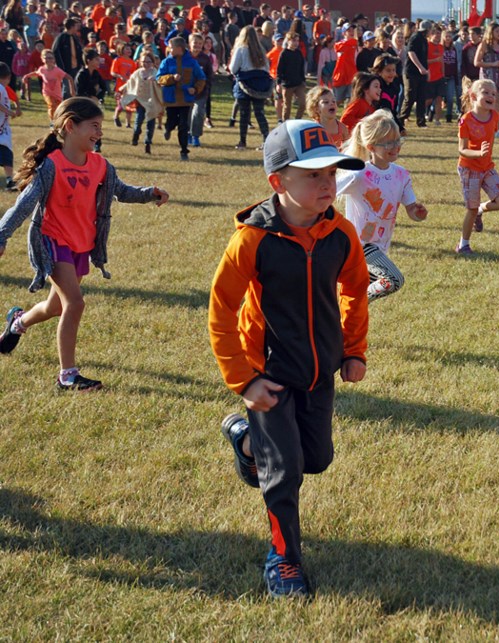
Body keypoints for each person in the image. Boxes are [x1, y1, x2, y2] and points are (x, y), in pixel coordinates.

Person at [208, 119, 368, 598]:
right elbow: (221, 309)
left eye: (333, 173)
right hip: (270, 377)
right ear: (278, 182)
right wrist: (244, 380)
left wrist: (354, 350)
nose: (328, 184)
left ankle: (246, 442)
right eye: (313, 175)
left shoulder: (340, 233)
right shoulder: (252, 240)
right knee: (285, 473)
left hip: (320, 373)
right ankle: (284, 559)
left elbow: (356, 290)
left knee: (316, 459)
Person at [0, 97, 170, 389]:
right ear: (70, 126)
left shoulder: (100, 165)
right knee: (75, 304)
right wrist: (2, 234)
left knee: (55, 307)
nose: (99, 133)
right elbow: (23, 205)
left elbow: (121, 191)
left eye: (100, 127)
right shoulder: (51, 166)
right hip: (53, 241)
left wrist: (148, 193)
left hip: (82, 244)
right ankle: (67, 376)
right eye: (94, 126)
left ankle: (18, 323)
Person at [337, 109, 427, 302]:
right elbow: (327, 192)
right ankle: (356, 303)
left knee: (352, 300)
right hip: (360, 246)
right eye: (388, 143)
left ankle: (342, 321)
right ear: (371, 146)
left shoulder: (401, 174)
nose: (395, 146)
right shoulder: (359, 175)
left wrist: (417, 212)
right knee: (394, 279)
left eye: (397, 140)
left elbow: (411, 208)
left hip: (381, 246)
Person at [455, 78, 499, 255]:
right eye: (486, 92)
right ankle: (463, 245)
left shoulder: (494, 116)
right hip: (469, 169)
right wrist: (478, 153)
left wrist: (484, 156)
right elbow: (462, 150)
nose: (491, 96)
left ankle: (480, 210)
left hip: (487, 167)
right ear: (473, 96)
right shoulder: (466, 120)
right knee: (470, 208)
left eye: (493, 93)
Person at [157, 35, 205, 160]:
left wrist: (195, 88)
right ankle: (168, 128)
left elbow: (201, 78)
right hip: (171, 99)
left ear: (179, 48)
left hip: (186, 100)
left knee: (183, 125)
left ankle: (184, 151)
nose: (169, 49)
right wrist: (171, 78)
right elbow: (159, 78)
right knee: (172, 121)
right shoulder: (166, 62)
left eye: (171, 47)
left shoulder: (192, 62)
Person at [229, 24, 271, 150]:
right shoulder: (261, 50)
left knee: (244, 113)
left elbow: (233, 68)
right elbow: (267, 69)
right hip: (260, 85)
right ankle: (266, 140)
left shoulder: (241, 49)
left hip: (244, 85)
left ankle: (242, 141)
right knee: (260, 113)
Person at [119, 49, 163, 154]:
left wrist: (155, 80)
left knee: (150, 124)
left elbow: (160, 82)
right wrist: (121, 90)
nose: (146, 64)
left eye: (148, 62)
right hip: (140, 101)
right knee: (138, 121)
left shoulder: (155, 72)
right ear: (139, 62)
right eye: (144, 61)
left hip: (151, 102)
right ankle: (136, 134)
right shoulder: (137, 73)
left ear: (153, 62)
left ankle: (147, 143)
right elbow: (130, 83)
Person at [22, 48, 74, 121]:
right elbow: (36, 73)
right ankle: (52, 122)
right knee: (52, 106)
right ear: (42, 59)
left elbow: (70, 78)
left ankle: (58, 122)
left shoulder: (57, 70)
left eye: (50, 58)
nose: (48, 60)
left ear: (54, 59)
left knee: (59, 109)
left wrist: (72, 91)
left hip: (57, 94)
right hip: (47, 93)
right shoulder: (42, 69)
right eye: (46, 58)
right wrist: (26, 76)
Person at [399, 20, 430, 129]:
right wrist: (420, 67)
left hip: (421, 73)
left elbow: (424, 57)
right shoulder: (415, 37)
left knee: (422, 97)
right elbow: (411, 52)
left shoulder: (424, 40)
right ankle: (401, 119)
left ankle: (421, 121)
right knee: (410, 97)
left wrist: (426, 70)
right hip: (411, 72)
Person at [275, 30, 305, 122]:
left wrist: (303, 80)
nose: (296, 43)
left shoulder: (299, 53)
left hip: (298, 82)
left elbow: (301, 68)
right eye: (294, 41)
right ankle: (285, 123)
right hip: (287, 84)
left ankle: (297, 120)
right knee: (287, 106)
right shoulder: (284, 54)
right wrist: (279, 83)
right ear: (288, 41)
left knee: (303, 103)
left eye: (297, 41)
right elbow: (279, 70)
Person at [0, 63, 17, 190]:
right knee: (6, 154)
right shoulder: (0, 88)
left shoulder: (3, 88)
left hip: (3, 129)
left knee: (6, 154)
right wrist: (10, 112)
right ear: (7, 77)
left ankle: (10, 180)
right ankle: (9, 180)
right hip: (1, 130)